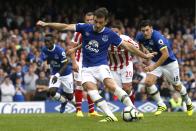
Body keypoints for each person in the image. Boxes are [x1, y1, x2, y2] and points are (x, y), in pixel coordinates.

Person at [37, 7, 156, 122]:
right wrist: (47, 24)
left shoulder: (110, 34)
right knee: (91, 90)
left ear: (106, 22)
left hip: (101, 66)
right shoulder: (85, 27)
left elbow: (127, 46)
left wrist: (144, 56)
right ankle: (110, 116)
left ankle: (133, 109)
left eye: (100, 22)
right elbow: (65, 26)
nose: (97, 25)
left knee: (111, 86)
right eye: (95, 21)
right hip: (86, 68)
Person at [135, 19, 194, 116]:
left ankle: (188, 102)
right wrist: (145, 55)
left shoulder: (158, 37)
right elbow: (140, 45)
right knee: (148, 82)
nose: (145, 33)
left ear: (151, 29)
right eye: (143, 31)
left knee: (177, 87)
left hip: (169, 63)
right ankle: (161, 104)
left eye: (147, 30)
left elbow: (165, 55)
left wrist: (152, 66)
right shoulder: (140, 36)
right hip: (156, 61)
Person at [71, 12, 102, 117]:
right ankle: (78, 110)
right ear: (85, 20)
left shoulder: (97, 31)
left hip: (91, 62)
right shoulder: (79, 32)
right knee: (79, 84)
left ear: (95, 20)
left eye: (91, 20)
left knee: (91, 85)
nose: (89, 22)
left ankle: (92, 111)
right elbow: (72, 48)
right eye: (87, 20)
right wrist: (74, 62)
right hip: (79, 61)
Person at [40, 33, 74, 113]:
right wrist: (47, 67)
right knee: (52, 92)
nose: (46, 43)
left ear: (53, 41)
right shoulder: (44, 49)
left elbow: (66, 64)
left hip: (66, 74)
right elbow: (48, 58)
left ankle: (76, 105)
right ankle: (63, 101)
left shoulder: (60, 50)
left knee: (70, 96)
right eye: (45, 41)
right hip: (55, 72)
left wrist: (58, 75)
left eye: (48, 41)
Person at [108, 21, 139, 104]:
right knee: (117, 90)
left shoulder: (126, 39)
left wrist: (130, 50)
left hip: (126, 65)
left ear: (120, 32)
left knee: (127, 88)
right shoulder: (106, 40)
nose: (114, 34)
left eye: (116, 32)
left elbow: (136, 47)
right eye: (112, 32)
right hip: (113, 68)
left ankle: (133, 108)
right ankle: (129, 107)